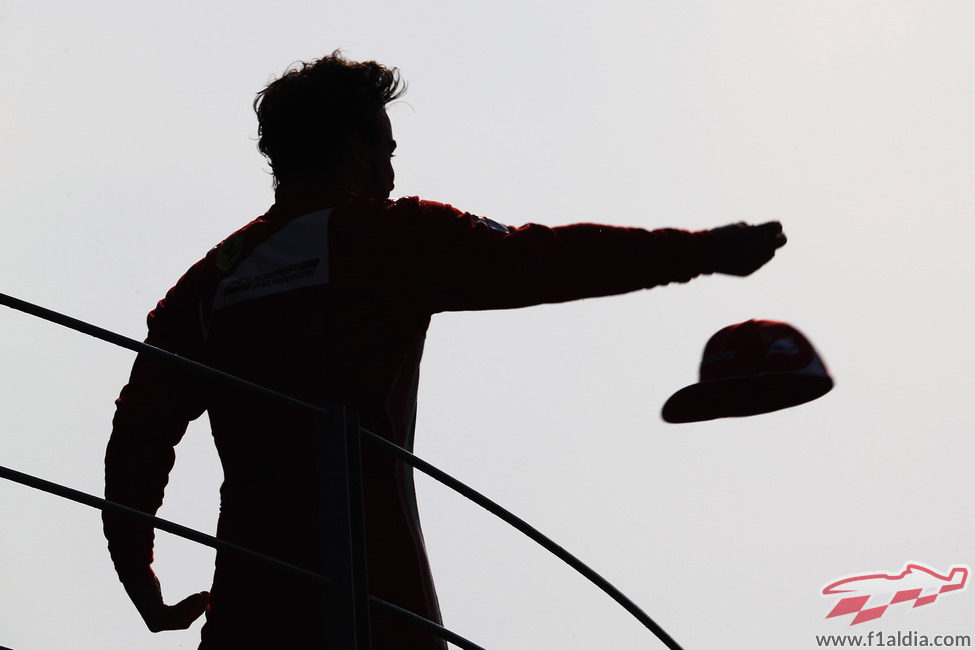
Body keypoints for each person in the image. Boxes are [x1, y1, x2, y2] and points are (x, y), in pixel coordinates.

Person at [102, 51, 786, 649]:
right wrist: (703, 252)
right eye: (388, 152)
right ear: (353, 149)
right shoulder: (390, 237)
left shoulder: (208, 283)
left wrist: (140, 577)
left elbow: (137, 439)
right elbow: (548, 258)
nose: (392, 172)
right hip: (379, 599)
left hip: (252, 611)